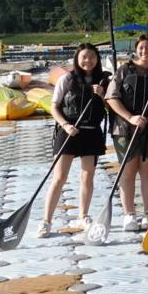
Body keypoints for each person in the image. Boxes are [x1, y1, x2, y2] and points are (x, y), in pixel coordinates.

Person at [37, 43, 108, 237]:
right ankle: (46, 221)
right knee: (59, 177)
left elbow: (108, 107)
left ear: (97, 59)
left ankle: (83, 216)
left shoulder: (103, 80)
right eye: (84, 57)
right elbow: (55, 106)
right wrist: (66, 125)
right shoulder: (67, 79)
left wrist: (101, 96)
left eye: (92, 57)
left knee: (87, 177)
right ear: (77, 58)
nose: (88, 61)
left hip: (91, 132)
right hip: (68, 131)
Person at [105, 33, 148, 232]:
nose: (145, 51)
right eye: (141, 47)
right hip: (125, 129)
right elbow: (111, 98)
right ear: (136, 49)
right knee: (128, 172)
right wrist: (130, 117)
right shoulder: (124, 70)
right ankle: (129, 214)